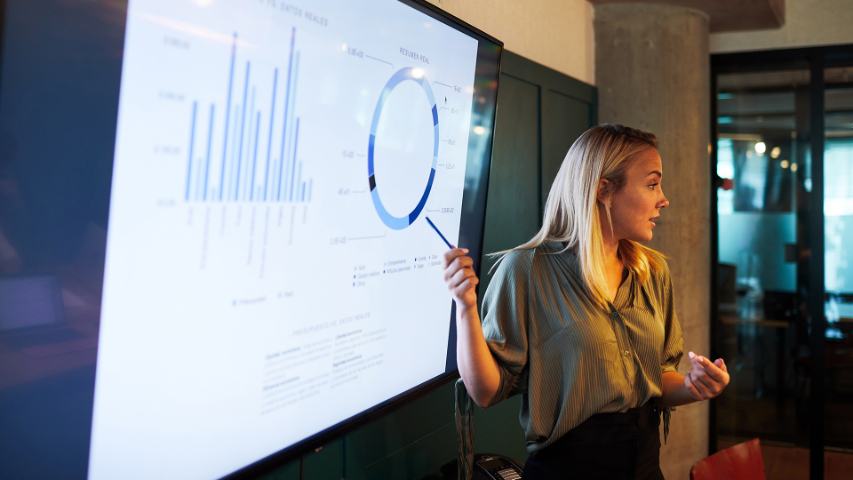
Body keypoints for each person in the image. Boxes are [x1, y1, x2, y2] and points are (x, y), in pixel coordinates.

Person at [443, 124, 730, 479]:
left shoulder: (651, 271)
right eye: (652, 184)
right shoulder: (526, 270)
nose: (664, 199)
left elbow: (661, 377)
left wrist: (692, 387)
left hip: (644, 465)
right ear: (603, 189)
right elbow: (485, 391)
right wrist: (466, 307)